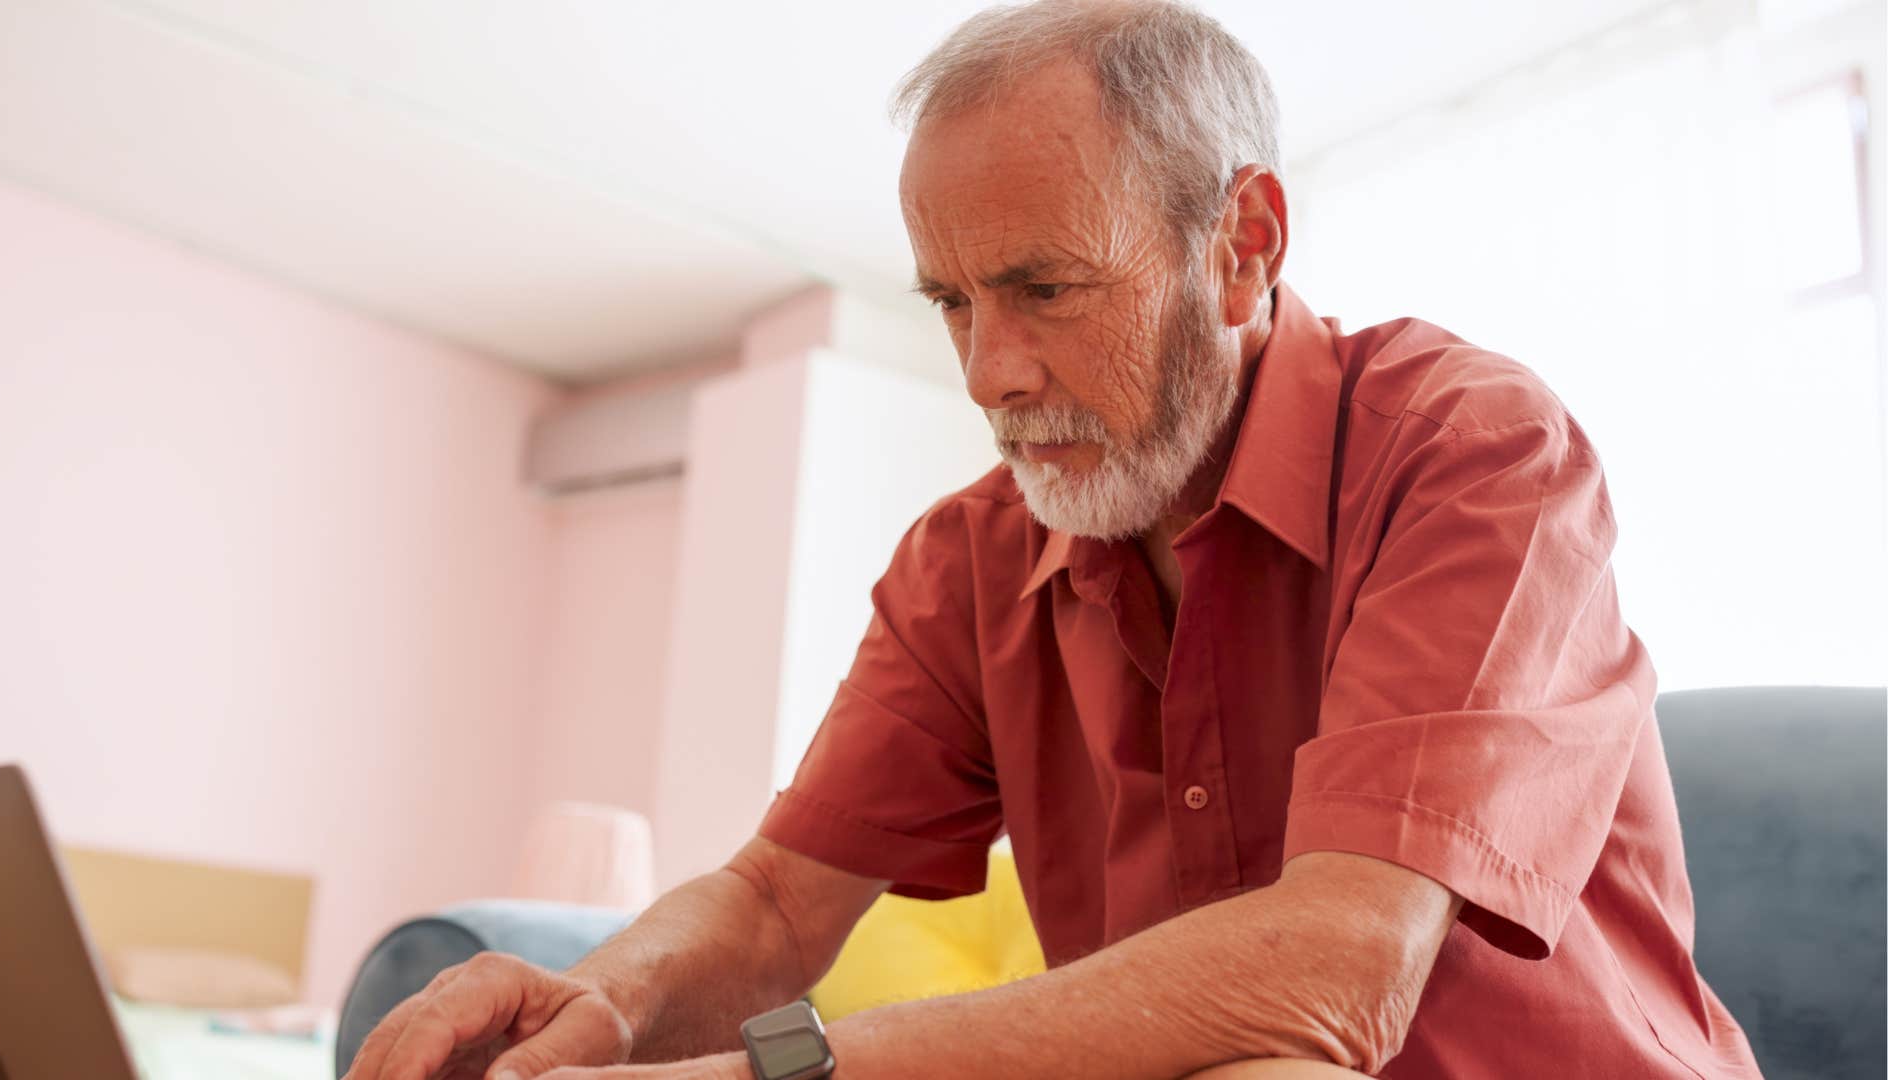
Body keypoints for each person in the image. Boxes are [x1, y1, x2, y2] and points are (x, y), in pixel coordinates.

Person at [344, 2, 1763, 1077]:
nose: (987, 372)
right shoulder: (965, 562)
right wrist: (611, 997)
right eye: (952, 302)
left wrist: (795, 1066)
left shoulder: (1475, 450)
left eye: (1042, 286)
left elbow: (1338, 966)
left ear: (1244, 246)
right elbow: (779, 903)